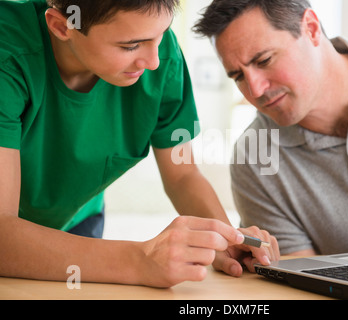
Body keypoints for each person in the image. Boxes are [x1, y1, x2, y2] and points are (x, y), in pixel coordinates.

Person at [0, 0, 280, 289]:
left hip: (76, 224)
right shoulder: (7, 54)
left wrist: (224, 239)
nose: (154, 61)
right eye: (131, 46)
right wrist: (140, 259)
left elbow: (183, 175)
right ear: (62, 26)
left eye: (161, 35)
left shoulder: (161, 54)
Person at [193, 0, 348, 256]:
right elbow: (302, 282)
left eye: (264, 60)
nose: (255, 90)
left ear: (312, 29)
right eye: (238, 76)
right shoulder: (255, 158)